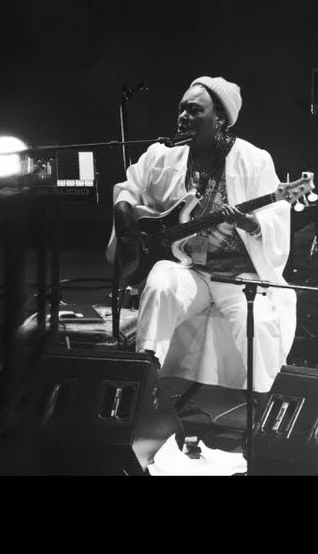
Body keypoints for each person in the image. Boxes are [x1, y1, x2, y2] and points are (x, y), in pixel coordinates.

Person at [107, 76, 296, 396]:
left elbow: (275, 216)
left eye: (194, 110)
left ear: (220, 118)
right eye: (182, 109)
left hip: (235, 276)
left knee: (257, 320)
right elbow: (128, 187)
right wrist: (125, 215)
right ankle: (144, 379)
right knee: (161, 283)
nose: (183, 117)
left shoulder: (254, 160)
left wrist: (252, 223)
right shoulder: (163, 154)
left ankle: (266, 400)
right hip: (188, 268)